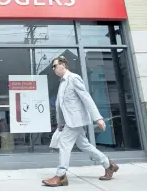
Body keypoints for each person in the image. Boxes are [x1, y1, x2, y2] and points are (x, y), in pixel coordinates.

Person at [42, 56, 119, 187]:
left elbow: (86, 98)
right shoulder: (62, 82)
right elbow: (61, 106)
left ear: (63, 65)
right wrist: (60, 123)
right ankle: (108, 164)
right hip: (69, 122)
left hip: (75, 121)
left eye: (55, 66)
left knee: (64, 144)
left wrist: (98, 118)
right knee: (84, 145)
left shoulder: (73, 78)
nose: (53, 69)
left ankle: (60, 176)